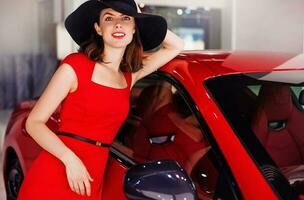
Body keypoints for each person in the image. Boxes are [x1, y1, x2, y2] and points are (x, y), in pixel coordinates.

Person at [17, 0, 184, 199]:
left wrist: (141, 15)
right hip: (59, 167)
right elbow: (34, 123)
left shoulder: (129, 76)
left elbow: (176, 46)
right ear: (98, 28)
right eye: (109, 18)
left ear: (134, 29)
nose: (118, 24)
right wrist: (70, 160)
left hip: (95, 173)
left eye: (125, 18)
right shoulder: (75, 66)